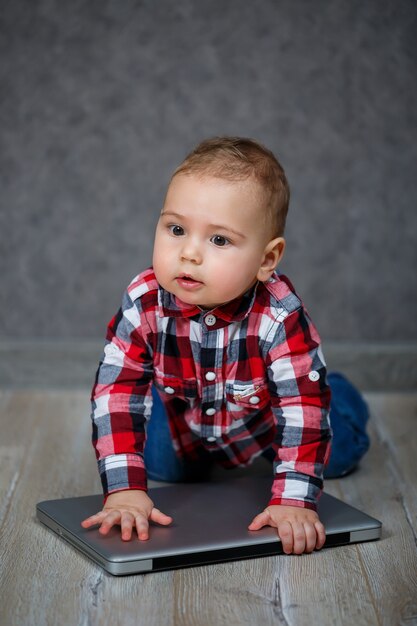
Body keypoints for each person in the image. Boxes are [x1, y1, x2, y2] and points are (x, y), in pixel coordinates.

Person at [81, 136, 369, 555]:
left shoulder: (279, 315)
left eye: (219, 240)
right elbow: (116, 391)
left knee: (337, 453)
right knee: (162, 468)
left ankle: (336, 391)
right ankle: (164, 414)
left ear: (267, 260)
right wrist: (124, 490)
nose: (189, 253)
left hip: (264, 422)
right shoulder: (145, 300)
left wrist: (292, 501)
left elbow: (299, 413)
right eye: (176, 229)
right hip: (188, 417)